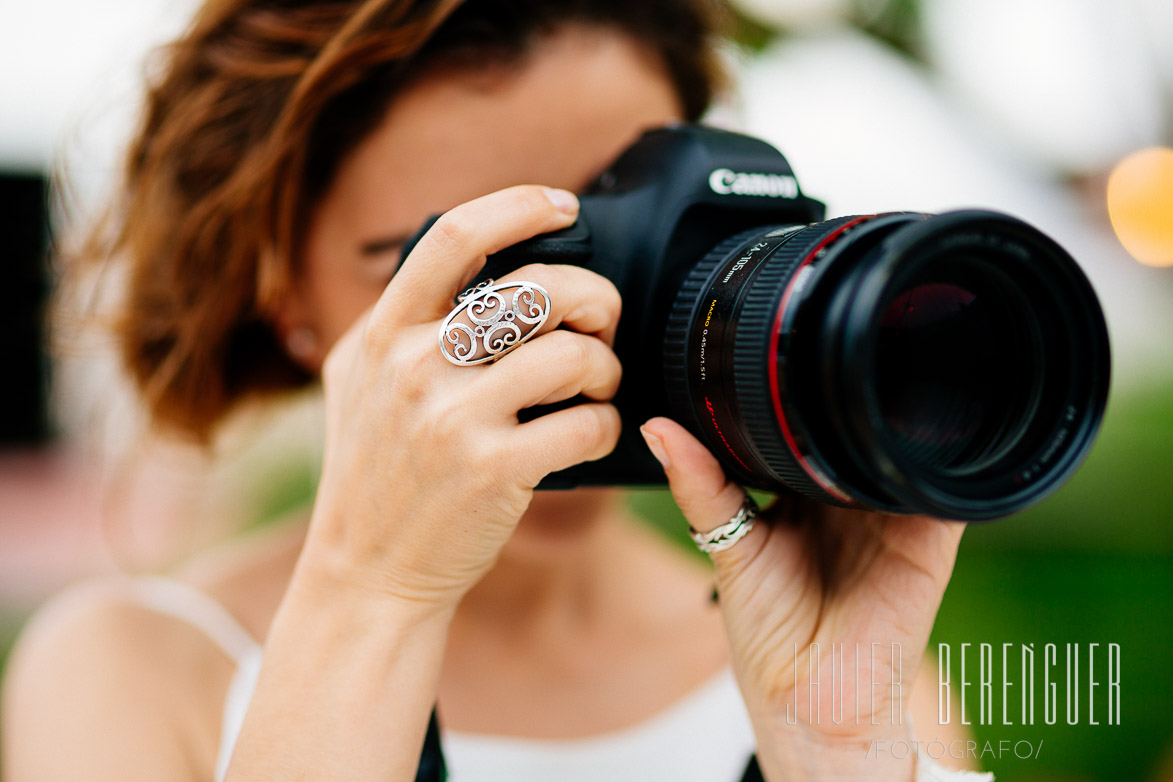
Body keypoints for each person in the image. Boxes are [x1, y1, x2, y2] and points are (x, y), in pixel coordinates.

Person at [1, 1, 988, 780]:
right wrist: (370, 596)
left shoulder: (830, 640)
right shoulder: (130, 670)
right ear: (281, 288)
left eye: (624, 245)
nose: (566, 326)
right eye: (481, 272)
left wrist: (843, 752)